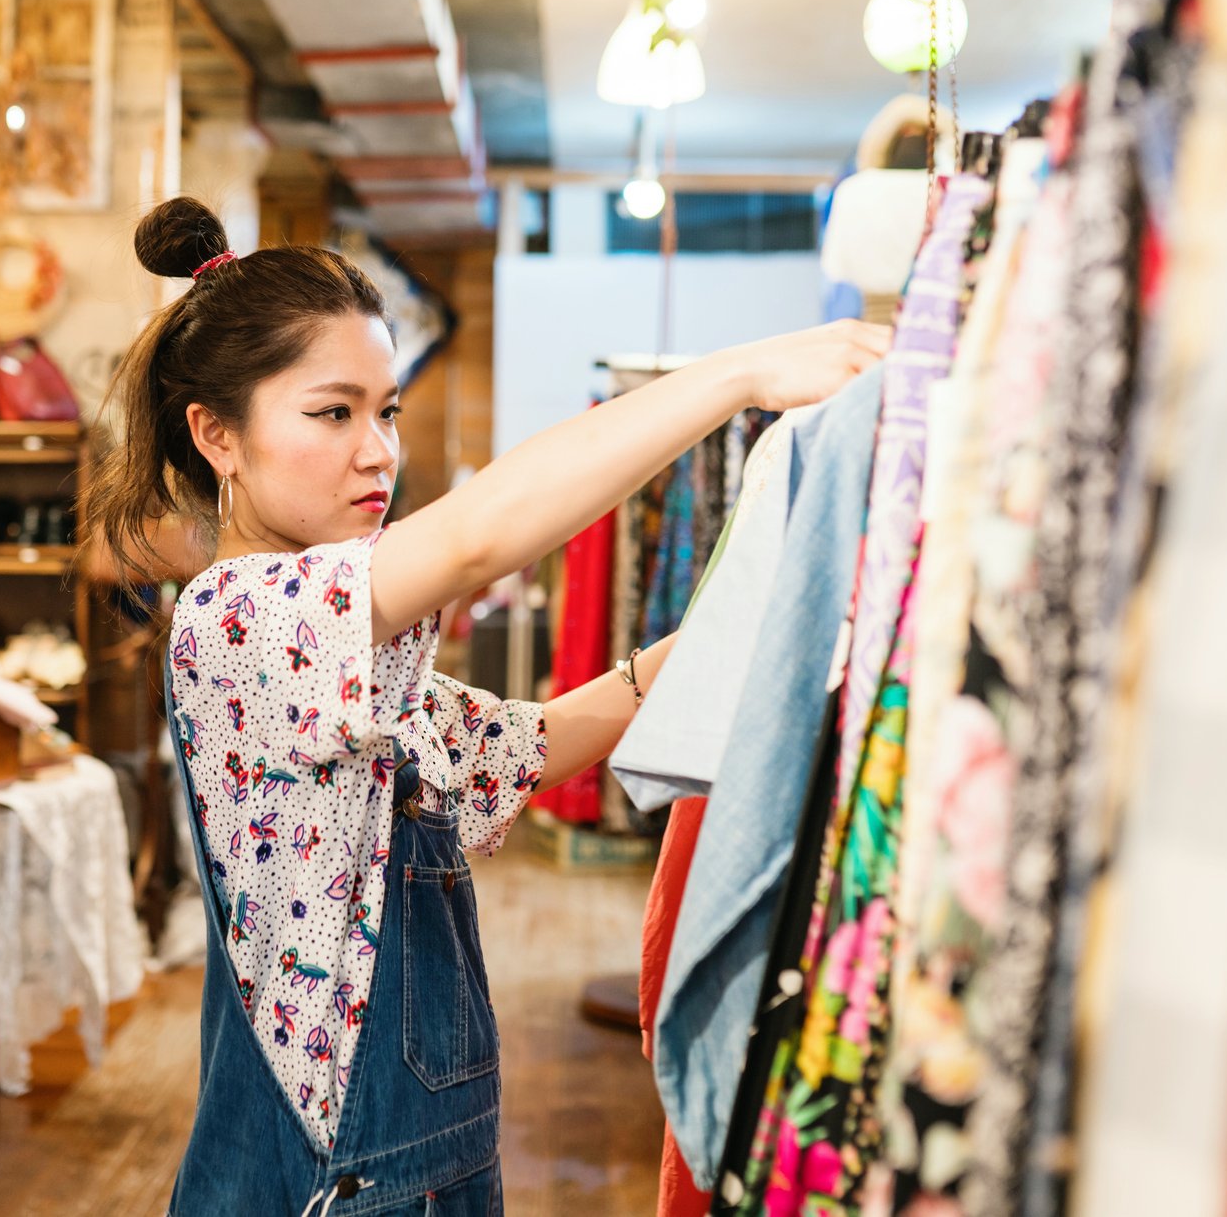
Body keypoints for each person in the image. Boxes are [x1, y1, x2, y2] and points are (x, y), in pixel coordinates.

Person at [82, 197, 890, 1216]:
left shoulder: (353, 658)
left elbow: (532, 740)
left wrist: (756, 622)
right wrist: (738, 374)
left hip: (415, 1170)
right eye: (331, 413)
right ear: (217, 435)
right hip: (339, 1184)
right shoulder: (238, 617)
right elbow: (476, 539)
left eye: (386, 412)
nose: (377, 451)